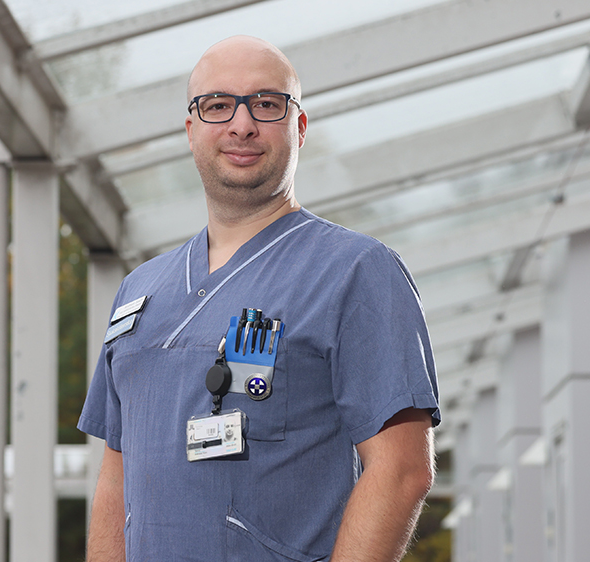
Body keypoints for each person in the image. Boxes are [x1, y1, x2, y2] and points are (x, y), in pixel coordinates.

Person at [79, 35, 440, 562]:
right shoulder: (141, 290)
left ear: (299, 127)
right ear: (191, 130)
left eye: (267, 104)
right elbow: (117, 478)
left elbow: (403, 469)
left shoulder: (355, 272)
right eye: (218, 105)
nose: (241, 124)